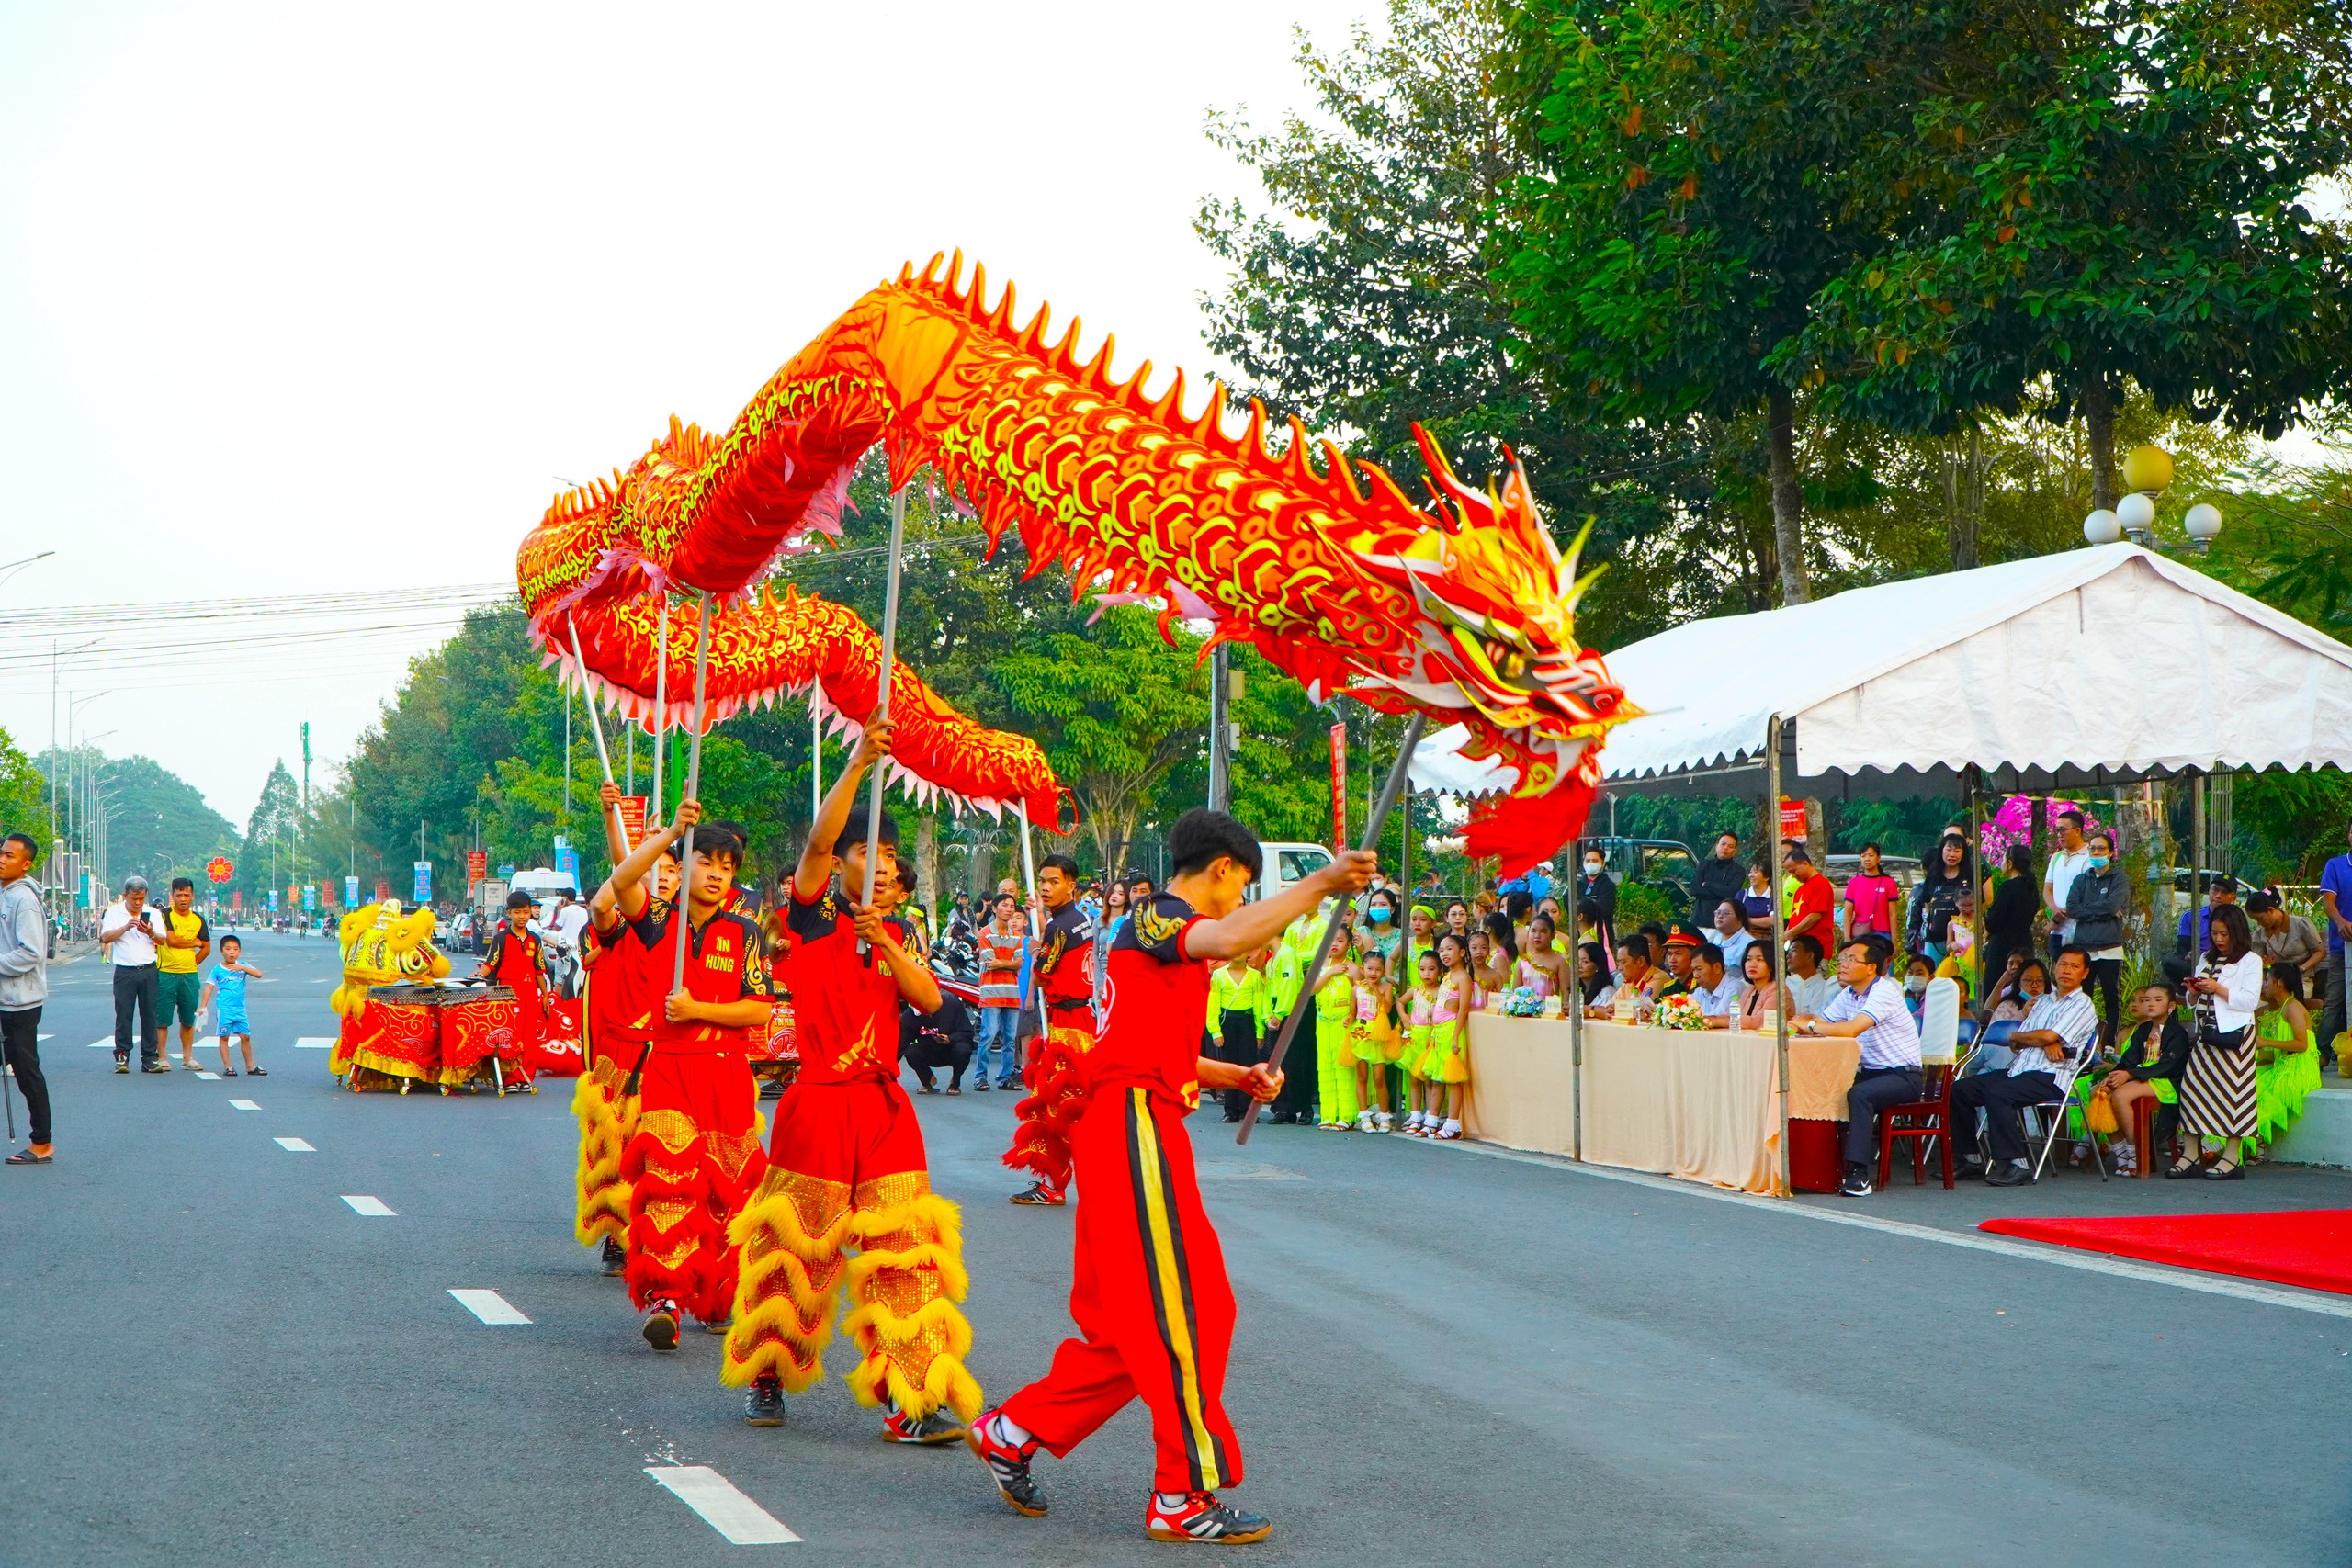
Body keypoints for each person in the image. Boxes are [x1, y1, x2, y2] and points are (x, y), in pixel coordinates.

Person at [966, 812, 1374, 1545]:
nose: (1237, 901)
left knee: (1140, 1325)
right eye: (1242, 885)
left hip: (1134, 1118)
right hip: (1134, 1126)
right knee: (1190, 1311)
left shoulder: (1147, 935)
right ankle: (1180, 1494)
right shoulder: (1161, 915)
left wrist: (1236, 1074)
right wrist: (1322, 882)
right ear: (1221, 869)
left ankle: (1015, 1427)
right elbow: (1224, 938)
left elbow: (1156, 1051)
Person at [724, 721, 976, 1443]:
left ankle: (912, 1395)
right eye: (868, 850)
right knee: (799, 1251)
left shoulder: (897, 929)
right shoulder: (806, 915)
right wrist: (860, 762)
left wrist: (887, 941)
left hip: (885, 1107)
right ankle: (768, 1372)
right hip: (819, 1106)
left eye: (892, 854)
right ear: (842, 863)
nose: (884, 864)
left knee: (905, 1247)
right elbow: (813, 846)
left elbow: (930, 1002)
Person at [1951, 946, 2099, 1186]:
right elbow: (2016, 1042)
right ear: (2054, 966)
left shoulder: (2082, 1005)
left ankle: (2017, 1163)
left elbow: (2044, 1036)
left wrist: (2041, 1038)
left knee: (1998, 1094)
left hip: (2051, 1076)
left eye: (2074, 967)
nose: (2066, 971)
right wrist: (2039, 1039)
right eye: (2062, 964)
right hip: (2018, 1070)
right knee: (1961, 1089)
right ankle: (1971, 1158)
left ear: (2084, 973)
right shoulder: (2042, 1002)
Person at [1792, 937, 1922, 1198]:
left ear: (1871, 968)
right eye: (1841, 960)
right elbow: (1823, 1020)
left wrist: (1811, 1026)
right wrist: (1800, 1021)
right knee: (1826, 1087)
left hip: (1902, 1075)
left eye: (1851, 960)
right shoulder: (1849, 993)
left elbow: (1850, 1029)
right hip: (1869, 1072)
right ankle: (1818, 1168)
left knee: (1859, 1095)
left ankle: (1858, 1175)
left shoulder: (1883, 992)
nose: (1842, 965)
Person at [1004, 852, 1099, 1203]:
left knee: (1057, 1108)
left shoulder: (1060, 927)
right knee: (1079, 1105)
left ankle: (1053, 1187)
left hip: (1065, 1027)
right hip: (1082, 1022)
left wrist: (1034, 948)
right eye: (1042, 881)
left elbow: (1042, 975)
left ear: (1071, 885)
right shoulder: (1081, 920)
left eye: (1054, 881)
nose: (1045, 887)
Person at [2171, 904, 2265, 1179]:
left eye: (2224, 933)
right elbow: (2191, 1002)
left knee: (2234, 1096)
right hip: (2206, 1035)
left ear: (2237, 933)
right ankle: (2191, 1154)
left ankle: (2232, 1158)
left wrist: (2218, 989)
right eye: (2214, 933)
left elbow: (2249, 1001)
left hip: (2235, 1037)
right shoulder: (2206, 958)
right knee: (2191, 1090)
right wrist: (2192, 991)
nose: (2219, 939)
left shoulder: (2250, 961)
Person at [2098, 984, 2191, 1175]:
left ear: (2171, 1006)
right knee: (2100, 1094)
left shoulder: (2177, 1033)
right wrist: (2113, 1076)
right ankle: (2121, 1153)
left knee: (2122, 1095)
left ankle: (2136, 1152)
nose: (2150, 1004)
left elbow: (2169, 1066)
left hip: (2166, 1080)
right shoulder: (2142, 1030)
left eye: (2158, 1000)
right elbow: (2129, 1059)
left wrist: (2130, 1075)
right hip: (2141, 1078)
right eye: (2147, 1000)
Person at [0, 830, 53, 1165]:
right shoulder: (5, 893)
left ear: (26, 864)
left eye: (9, 856)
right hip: (3, 997)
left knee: (26, 1070)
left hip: (21, 1001)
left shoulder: (24, 900)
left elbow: (31, 953)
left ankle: (42, 1141)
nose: (2, 859)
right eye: (1, 852)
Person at [2064, 830, 2128, 1045]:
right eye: (2092, 848)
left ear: (2110, 852)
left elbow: (2112, 905)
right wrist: (2103, 911)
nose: (2096, 852)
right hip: (2084, 948)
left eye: (2101, 848)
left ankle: (2110, 1044)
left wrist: (2091, 909)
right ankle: (2083, 1042)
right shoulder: (2081, 880)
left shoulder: (2118, 878)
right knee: (2083, 997)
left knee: (2112, 997)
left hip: (2110, 948)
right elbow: (2072, 908)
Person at [475, 890, 548, 1074]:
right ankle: (509, 1075)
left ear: (530, 912)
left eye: (525, 912)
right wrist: (476, 978)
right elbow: (490, 963)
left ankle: (526, 1075)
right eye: (517, 912)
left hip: (530, 993)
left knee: (529, 1035)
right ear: (509, 913)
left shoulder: (535, 939)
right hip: (507, 993)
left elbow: (539, 970)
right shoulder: (501, 938)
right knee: (509, 1034)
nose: (522, 916)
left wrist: (545, 996)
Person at [100, 875, 168, 1074]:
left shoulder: (153, 914)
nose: (138, 903)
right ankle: (122, 1056)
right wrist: (125, 927)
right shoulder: (114, 913)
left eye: (141, 899)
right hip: (124, 971)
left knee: (149, 1014)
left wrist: (150, 932)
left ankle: (149, 1058)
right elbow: (105, 937)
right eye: (134, 899)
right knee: (124, 1014)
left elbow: (163, 940)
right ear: (125, 895)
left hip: (148, 970)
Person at [2254, 963, 2320, 1152]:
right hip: (2282, 1063)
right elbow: (2270, 1054)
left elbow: (2302, 1044)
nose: (2264, 985)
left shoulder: (2294, 1008)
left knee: (2265, 1092)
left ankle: (2255, 1142)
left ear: (2279, 983)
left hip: (2299, 1067)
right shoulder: (2273, 1009)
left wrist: (2266, 1042)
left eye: (2267, 981)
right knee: (2247, 1083)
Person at [155, 877, 212, 1072]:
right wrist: (193, 943)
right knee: (162, 1018)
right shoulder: (164, 915)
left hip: (189, 975)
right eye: (179, 895)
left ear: (192, 896)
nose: (183, 899)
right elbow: (172, 941)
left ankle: (187, 1057)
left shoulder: (198, 920)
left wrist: (192, 962)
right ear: (172, 896)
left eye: (186, 895)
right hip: (165, 973)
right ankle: (161, 1056)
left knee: (188, 1019)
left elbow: (207, 947)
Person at [1207, 950, 1267, 1126]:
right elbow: (1213, 1004)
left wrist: (1260, 1032)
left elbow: (1259, 1004)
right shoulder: (1218, 975)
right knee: (1229, 1067)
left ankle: (1247, 1111)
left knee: (1248, 1067)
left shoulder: (1255, 976)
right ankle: (1230, 1110)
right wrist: (1215, 1030)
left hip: (1247, 1022)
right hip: (1228, 1022)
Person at [973, 892, 1025, 1091]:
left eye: (1012, 906)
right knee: (988, 1035)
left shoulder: (1016, 936)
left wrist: (1005, 963)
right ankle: (980, 1076)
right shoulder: (985, 933)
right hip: (991, 992)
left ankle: (1005, 1077)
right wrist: (1010, 963)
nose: (1009, 909)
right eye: (1005, 905)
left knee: (1010, 1038)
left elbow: (1019, 962)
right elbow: (990, 963)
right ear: (994, 908)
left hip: (1012, 992)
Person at [1346, 947, 1396, 1133]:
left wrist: (1376, 989)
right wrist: (1348, 1019)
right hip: (1360, 1033)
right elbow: (1353, 1012)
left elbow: (1387, 1008)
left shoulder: (1387, 987)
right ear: (1362, 969)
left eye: (1377, 969)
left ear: (1383, 971)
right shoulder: (1356, 989)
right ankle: (1365, 1115)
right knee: (1361, 1076)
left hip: (1378, 1034)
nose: (1373, 973)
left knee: (1379, 1077)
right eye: (1370, 968)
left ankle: (1384, 1115)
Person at [200, 935, 265, 1077]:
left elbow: (259, 974)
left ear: (239, 952)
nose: (232, 952)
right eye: (228, 949)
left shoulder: (243, 966)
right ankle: (228, 1066)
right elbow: (209, 987)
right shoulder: (217, 970)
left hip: (240, 1009)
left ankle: (250, 1066)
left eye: (235, 949)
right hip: (224, 1009)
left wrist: (243, 967)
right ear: (221, 952)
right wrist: (203, 1006)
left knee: (245, 1037)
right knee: (224, 1037)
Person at [2247, 889, 2326, 1002]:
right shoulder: (2260, 933)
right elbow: (2259, 964)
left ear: (2270, 910)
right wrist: (2267, 967)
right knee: (2255, 1002)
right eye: (2255, 920)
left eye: (2260, 918)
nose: (2259, 923)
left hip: (2301, 981)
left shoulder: (2300, 924)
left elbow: (2320, 952)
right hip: (2273, 982)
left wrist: (2301, 969)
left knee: (2290, 1001)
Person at [1982, 843, 2040, 982]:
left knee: (1998, 989)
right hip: (2024, 944)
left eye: (2003, 860)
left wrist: (1986, 922)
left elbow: (1993, 921)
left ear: (2010, 863)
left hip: (2003, 948)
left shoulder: (2008, 887)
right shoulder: (2032, 887)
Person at [2320, 820, 2352, 1065]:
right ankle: (2319, 1054)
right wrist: (2341, 922)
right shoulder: (2336, 865)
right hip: (2342, 950)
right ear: (2349, 835)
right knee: (2334, 1003)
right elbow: (2328, 902)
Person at [1907, 835, 1971, 960]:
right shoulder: (1933, 875)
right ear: (1941, 850)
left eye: (1957, 851)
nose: (1952, 854)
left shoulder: (1969, 876)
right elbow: (1926, 902)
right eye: (1948, 849)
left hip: (1962, 940)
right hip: (1935, 940)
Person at [2041, 810, 2092, 960]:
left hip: (2079, 931)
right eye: (2057, 830)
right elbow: (2047, 889)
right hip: (2057, 932)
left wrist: (2057, 918)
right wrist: (2054, 909)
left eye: (2063, 830)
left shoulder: (2089, 857)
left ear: (2078, 831)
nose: (2059, 835)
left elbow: (2086, 894)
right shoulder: (2056, 857)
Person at [1783, 849, 1837, 968]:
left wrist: (1790, 933)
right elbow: (1794, 917)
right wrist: (1787, 933)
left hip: (1815, 948)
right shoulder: (1801, 889)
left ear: (1805, 863)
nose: (1793, 875)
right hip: (1798, 948)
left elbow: (1815, 916)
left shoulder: (1820, 884)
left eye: (1794, 870)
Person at [1841, 843, 1900, 943]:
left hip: (1883, 934)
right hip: (1860, 933)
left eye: (1871, 855)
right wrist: (1847, 937)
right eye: (1863, 856)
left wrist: (1894, 940)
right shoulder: (1854, 883)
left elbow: (1892, 914)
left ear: (1878, 858)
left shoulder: (1888, 882)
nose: (1867, 859)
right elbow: (1847, 913)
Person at [1691, 831, 1745, 934]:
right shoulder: (1703, 865)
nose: (1725, 848)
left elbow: (1731, 893)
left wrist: (1707, 885)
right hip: (1699, 921)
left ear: (1734, 851)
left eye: (1730, 846)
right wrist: (1720, 892)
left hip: (1723, 926)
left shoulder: (1738, 871)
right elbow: (1694, 889)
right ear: (1716, 846)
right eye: (1723, 844)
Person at [1731, 942, 1789, 1031]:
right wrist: (1711, 1018)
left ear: (1771, 965)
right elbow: (1732, 1013)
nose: (1752, 965)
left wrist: (1722, 1021)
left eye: (1759, 960)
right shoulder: (1750, 990)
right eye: (1748, 959)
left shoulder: (1778, 990)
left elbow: (1758, 1022)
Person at [2176, 879, 2237, 959]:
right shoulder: (2191, 916)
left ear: (2234, 898)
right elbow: (2182, 950)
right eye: (2215, 890)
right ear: (2209, 891)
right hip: (2194, 961)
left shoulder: (2236, 919)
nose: (2218, 896)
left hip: (2226, 962)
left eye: (2224, 892)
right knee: (2170, 960)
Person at [1689, 942, 1743, 1022]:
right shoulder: (1699, 991)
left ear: (1717, 968)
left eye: (1699, 969)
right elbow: (1688, 1013)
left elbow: (1718, 1017)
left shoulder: (1734, 988)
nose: (1695, 975)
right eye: (1693, 970)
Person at [1784, 934, 1835, 1017]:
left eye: (1793, 951)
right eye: (1788, 952)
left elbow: (1814, 1019)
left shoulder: (1822, 987)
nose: (1788, 956)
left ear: (1809, 956)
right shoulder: (1788, 983)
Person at [1576, 848, 1615, 949]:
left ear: (1602, 863)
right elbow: (1568, 902)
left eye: (1595, 860)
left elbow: (1604, 908)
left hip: (1601, 936)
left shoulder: (1608, 885)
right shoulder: (1577, 884)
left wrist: (1582, 903)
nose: (1591, 864)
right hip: (1578, 935)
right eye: (1588, 860)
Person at [1708, 896, 1754, 977]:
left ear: (1739, 918)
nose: (1720, 916)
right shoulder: (1714, 936)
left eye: (1726, 913)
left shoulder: (1749, 945)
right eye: (1718, 913)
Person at [1575, 942, 1614, 1013]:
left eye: (1585, 962)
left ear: (1598, 966)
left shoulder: (1607, 993)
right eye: (1576, 960)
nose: (1579, 965)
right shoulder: (1577, 990)